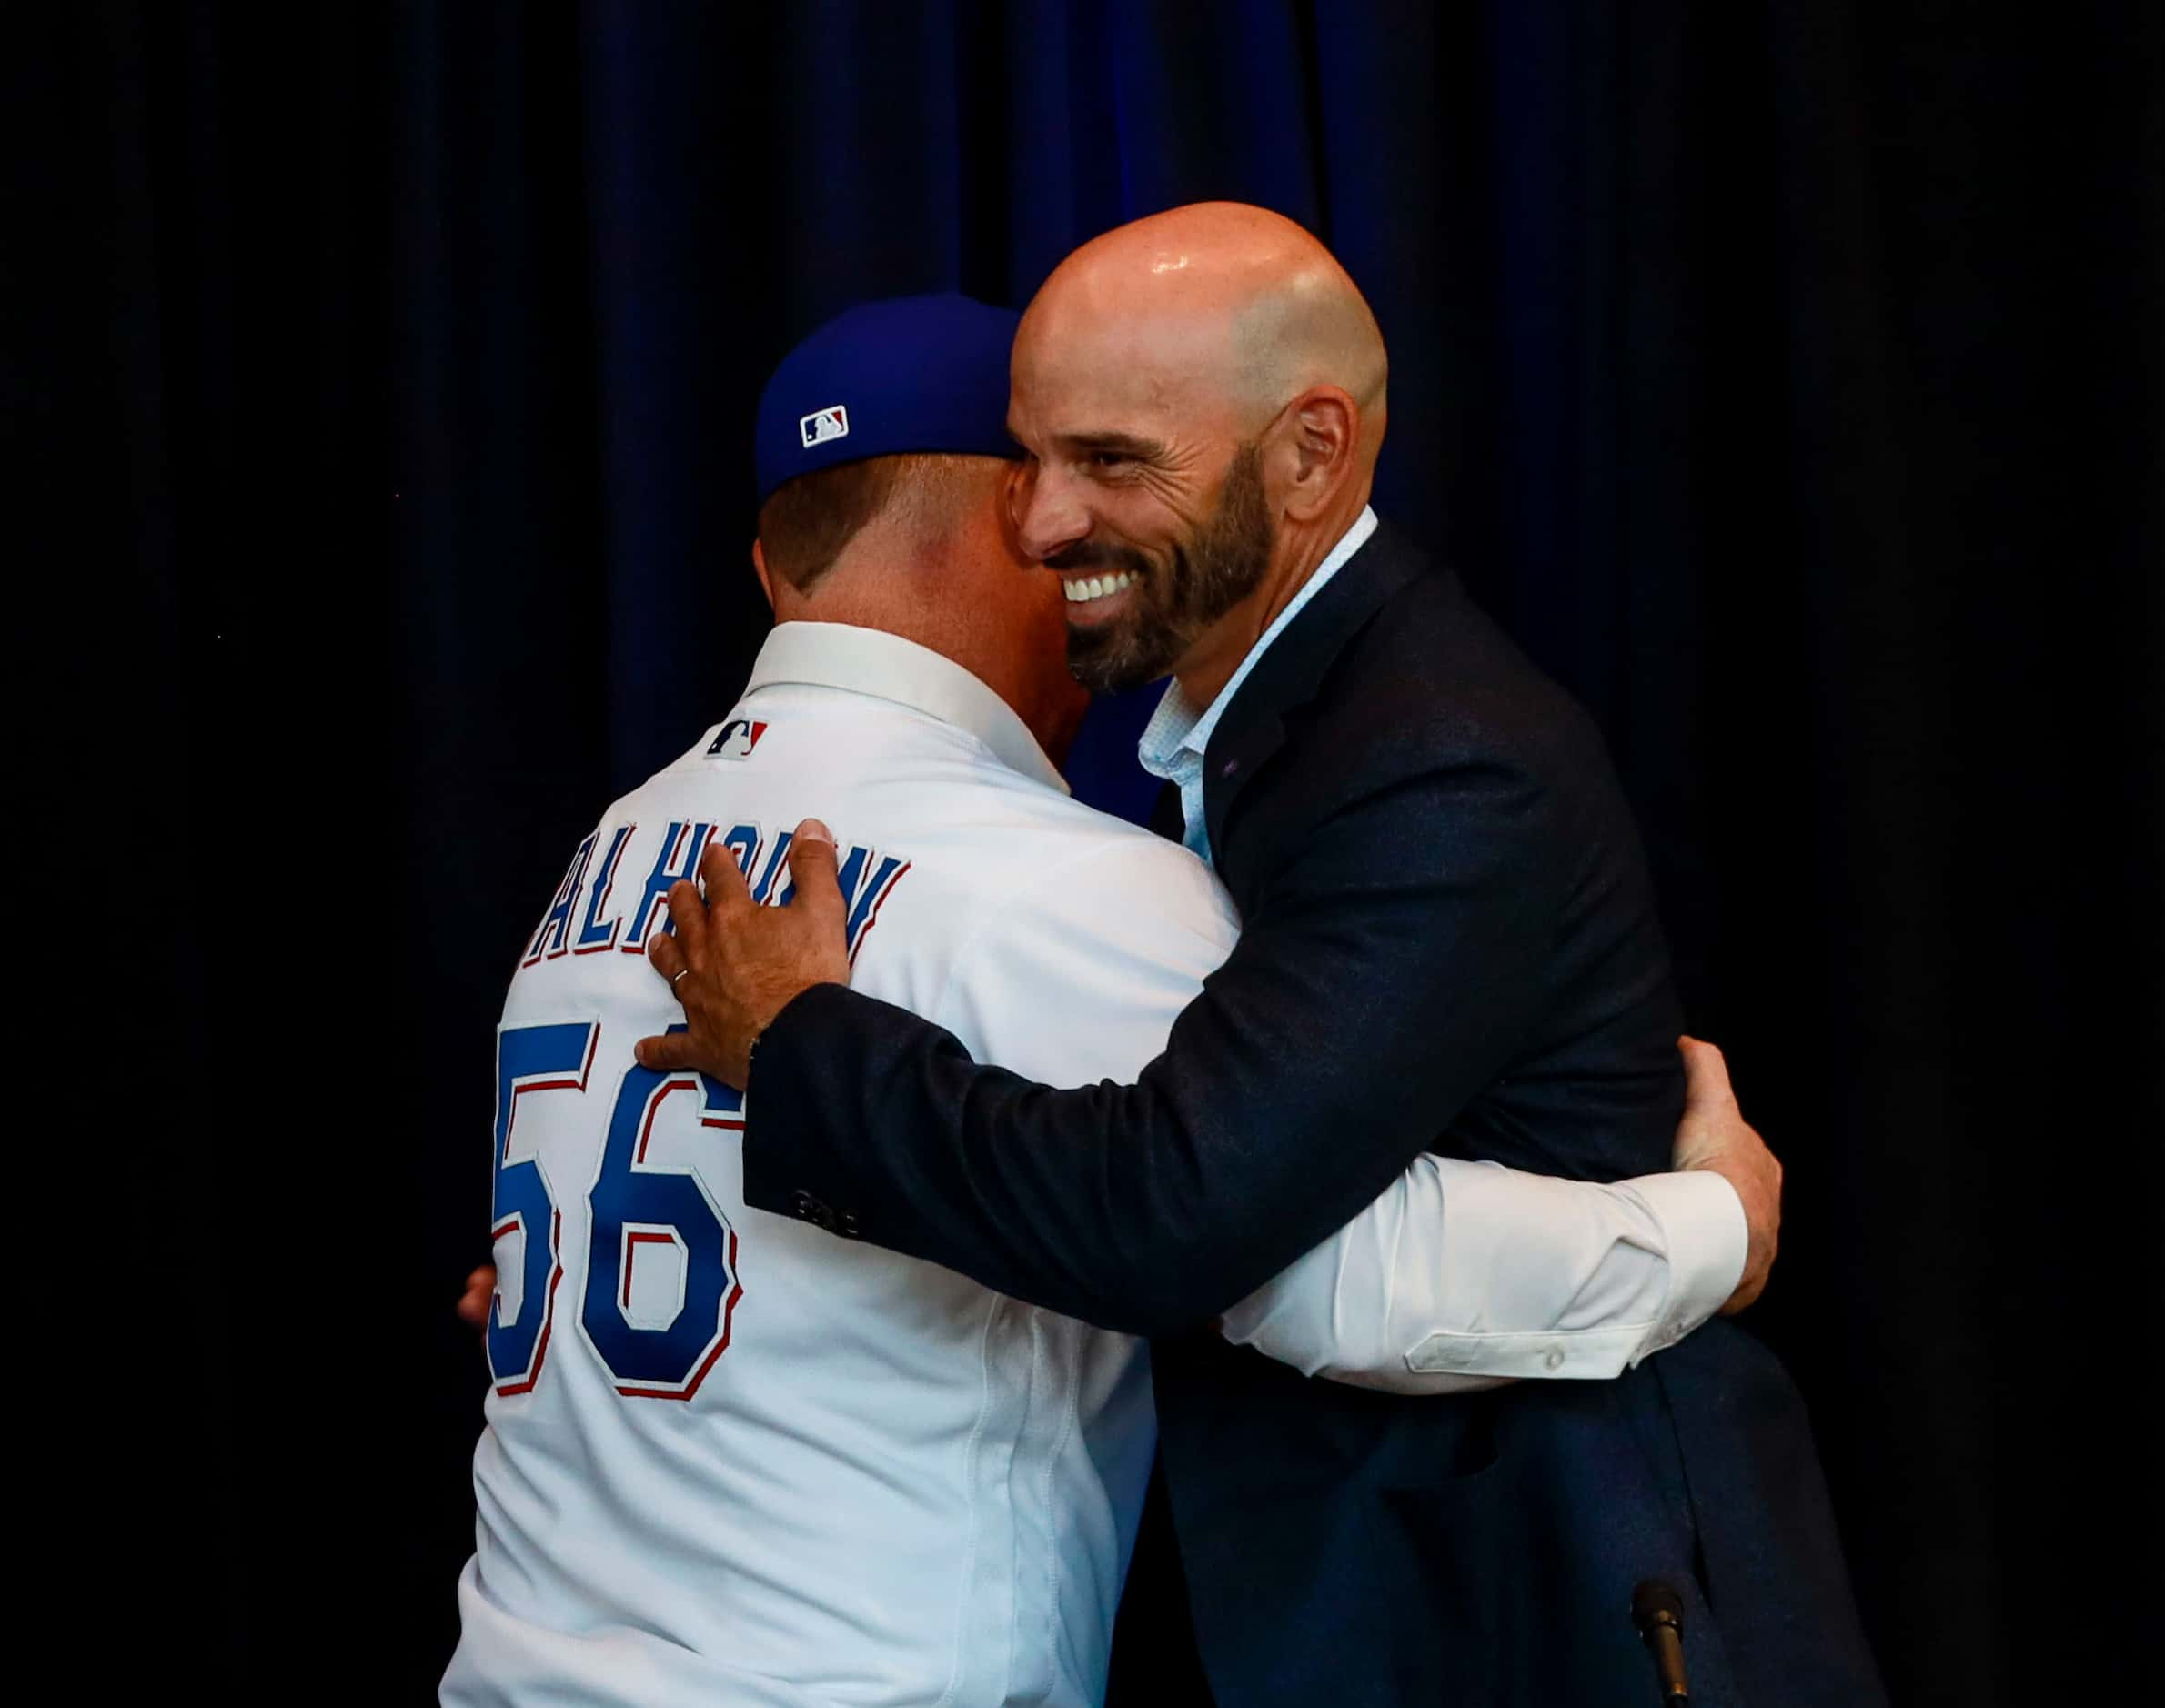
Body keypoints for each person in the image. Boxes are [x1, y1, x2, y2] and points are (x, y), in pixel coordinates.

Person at [444, 295, 1777, 1707]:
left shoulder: (606, 854)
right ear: (1030, 518)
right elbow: (1327, 1275)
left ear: (773, 567)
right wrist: (1705, 1222)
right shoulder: (1053, 881)